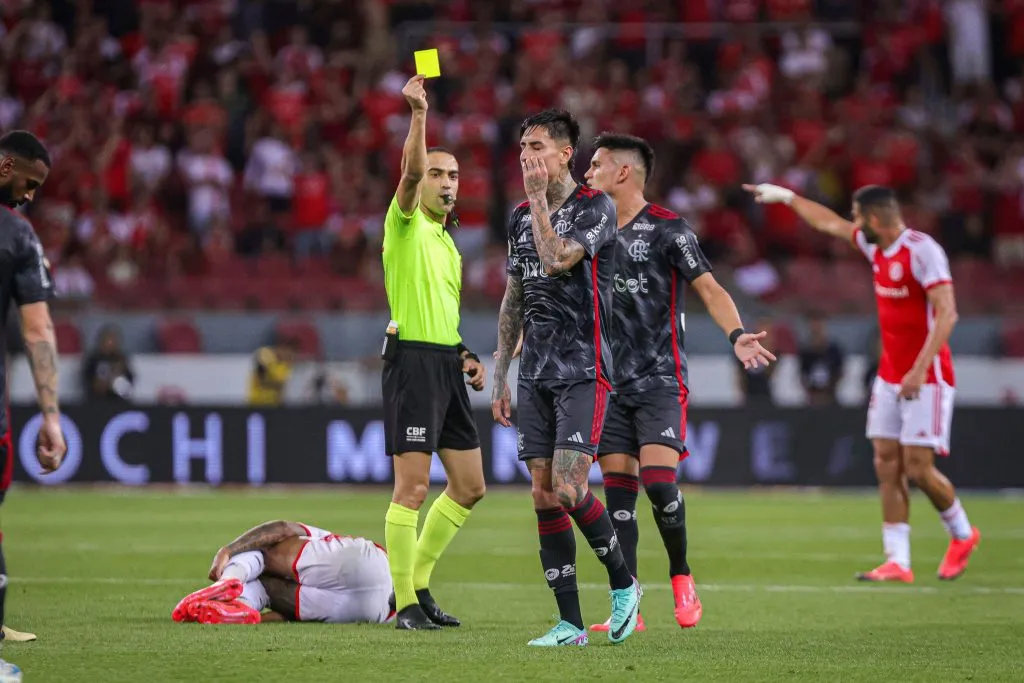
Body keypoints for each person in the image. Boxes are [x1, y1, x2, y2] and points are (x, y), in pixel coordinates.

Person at [582, 133, 775, 631]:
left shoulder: (670, 230)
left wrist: (737, 335)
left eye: (597, 164)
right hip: (608, 383)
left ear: (623, 172)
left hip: (660, 380)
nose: (588, 173)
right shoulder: (589, 232)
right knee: (618, 499)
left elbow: (709, 288)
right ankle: (628, 607)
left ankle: (681, 574)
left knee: (660, 485)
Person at [743, 182, 980, 582]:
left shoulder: (923, 251)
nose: (852, 224)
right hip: (889, 375)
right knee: (886, 462)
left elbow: (948, 313)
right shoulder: (876, 248)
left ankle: (962, 533)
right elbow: (829, 224)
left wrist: (919, 369)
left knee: (919, 469)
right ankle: (898, 560)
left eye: (857, 216)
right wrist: (788, 198)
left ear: (873, 218)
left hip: (928, 376)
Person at [492, 109, 641, 647]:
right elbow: (515, 294)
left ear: (565, 154)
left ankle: (624, 585)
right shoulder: (517, 217)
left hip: (583, 368)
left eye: (537, 147)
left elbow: (556, 259)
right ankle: (570, 624)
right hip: (534, 372)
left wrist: (537, 199)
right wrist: (501, 372)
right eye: (522, 148)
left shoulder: (594, 207)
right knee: (542, 495)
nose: (526, 157)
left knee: (570, 487)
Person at [381, 75, 487, 631]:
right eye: (437, 174)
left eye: (453, 175)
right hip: (413, 365)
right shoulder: (404, 225)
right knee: (413, 489)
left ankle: (417, 584)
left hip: (445, 361)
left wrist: (464, 352)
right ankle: (403, 603)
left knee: (469, 486)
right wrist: (419, 114)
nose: (446, 182)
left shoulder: (448, 244)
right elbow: (408, 173)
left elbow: (442, 311)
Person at [0, 130, 68, 659]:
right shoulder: (16, 236)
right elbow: (39, 331)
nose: (30, 196)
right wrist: (51, 415)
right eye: (29, 183)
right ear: (5, 166)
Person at [172, 520, 394, 625]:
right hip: (378, 613)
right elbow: (285, 615)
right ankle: (239, 606)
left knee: (263, 548)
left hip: (373, 563)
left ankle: (230, 579)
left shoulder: (318, 535)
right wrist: (259, 619)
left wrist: (227, 551)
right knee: (266, 590)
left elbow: (283, 529)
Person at [798, 311, 845, 406]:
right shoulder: (805, 353)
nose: (816, 328)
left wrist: (827, 394)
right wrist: (813, 395)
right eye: (813, 324)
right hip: (811, 400)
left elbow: (839, 373)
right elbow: (803, 376)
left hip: (831, 399)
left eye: (819, 324)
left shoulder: (834, 351)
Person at [81, 324, 136, 402]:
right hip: (96, 402)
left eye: (114, 340)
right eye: (108, 339)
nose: (111, 343)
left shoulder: (121, 359)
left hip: (118, 402)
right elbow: (88, 381)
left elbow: (129, 383)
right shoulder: (93, 360)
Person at [247, 337, 299, 406]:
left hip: (275, 405)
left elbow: (283, 382)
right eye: (288, 352)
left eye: (292, 353)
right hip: (257, 403)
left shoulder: (285, 366)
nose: (288, 355)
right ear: (281, 348)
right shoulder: (266, 353)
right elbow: (262, 372)